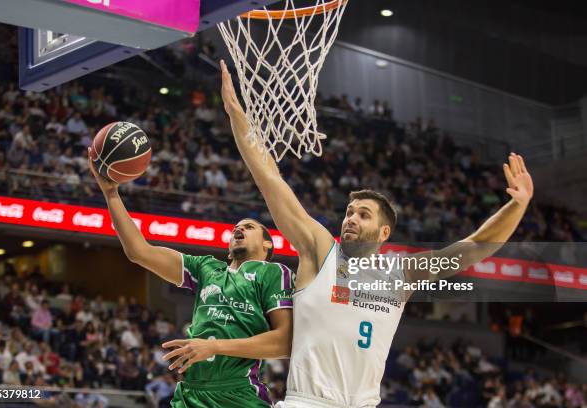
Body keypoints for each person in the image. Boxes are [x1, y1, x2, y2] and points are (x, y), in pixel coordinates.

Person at [219, 59, 534, 408]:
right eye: (349, 212)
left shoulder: (400, 274)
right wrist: (237, 117)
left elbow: (474, 247)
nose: (351, 219)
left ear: (384, 231)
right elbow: (270, 181)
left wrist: (516, 206)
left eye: (363, 215)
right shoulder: (321, 251)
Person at [87, 152, 294, 408]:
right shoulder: (206, 267)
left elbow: (284, 342)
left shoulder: (274, 273)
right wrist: (111, 194)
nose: (238, 229)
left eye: (249, 227)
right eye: (235, 229)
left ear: (267, 245)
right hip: (189, 395)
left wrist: (214, 347)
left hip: (238, 395)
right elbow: (139, 252)